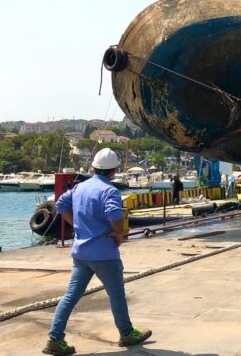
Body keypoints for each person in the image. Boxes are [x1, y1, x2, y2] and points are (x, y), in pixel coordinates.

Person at [43, 148, 151, 355]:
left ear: (93, 167)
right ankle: (127, 333)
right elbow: (114, 214)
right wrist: (118, 232)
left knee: (70, 296)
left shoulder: (80, 187)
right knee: (116, 295)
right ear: (114, 170)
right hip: (104, 253)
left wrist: (76, 224)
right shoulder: (110, 191)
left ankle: (55, 339)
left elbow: (61, 204)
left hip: (81, 252)